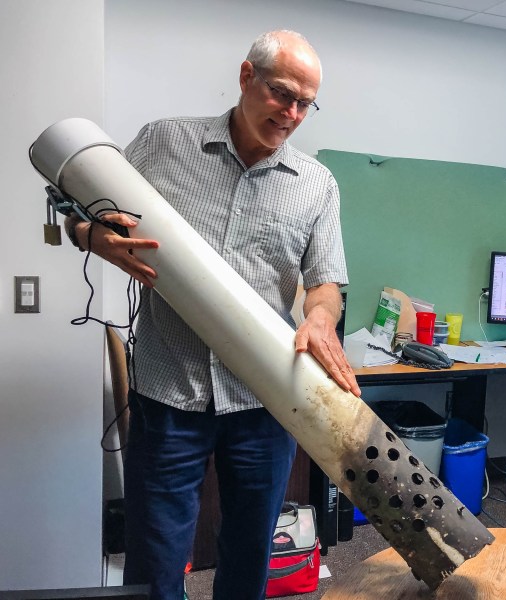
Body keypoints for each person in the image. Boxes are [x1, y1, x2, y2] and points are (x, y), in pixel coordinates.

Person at [64, 30, 360, 600]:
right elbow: (79, 209)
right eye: (282, 94)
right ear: (247, 76)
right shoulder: (163, 143)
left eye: (306, 104)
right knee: (154, 558)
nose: (292, 114)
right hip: (168, 392)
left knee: (250, 552)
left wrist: (321, 316)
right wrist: (90, 236)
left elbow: (326, 283)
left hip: (263, 397)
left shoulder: (317, 185)